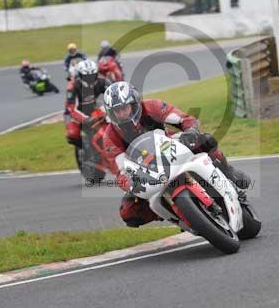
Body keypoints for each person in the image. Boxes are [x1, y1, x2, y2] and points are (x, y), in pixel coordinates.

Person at [102, 81, 251, 228]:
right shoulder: (110, 136)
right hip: (144, 171)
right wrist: (130, 184)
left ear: (134, 104)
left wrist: (191, 132)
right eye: (117, 111)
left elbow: (184, 119)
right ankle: (174, 212)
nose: (122, 114)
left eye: (124, 108)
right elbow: (120, 170)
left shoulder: (152, 106)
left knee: (205, 140)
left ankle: (228, 171)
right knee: (129, 212)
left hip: (169, 146)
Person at [64, 60, 107, 147]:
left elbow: (113, 93)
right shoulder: (73, 86)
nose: (90, 79)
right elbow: (71, 109)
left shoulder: (101, 81)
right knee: (73, 134)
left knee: (107, 122)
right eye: (87, 76)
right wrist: (86, 119)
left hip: (92, 110)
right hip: (74, 115)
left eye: (93, 75)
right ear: (80, 75)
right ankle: (84, 150)